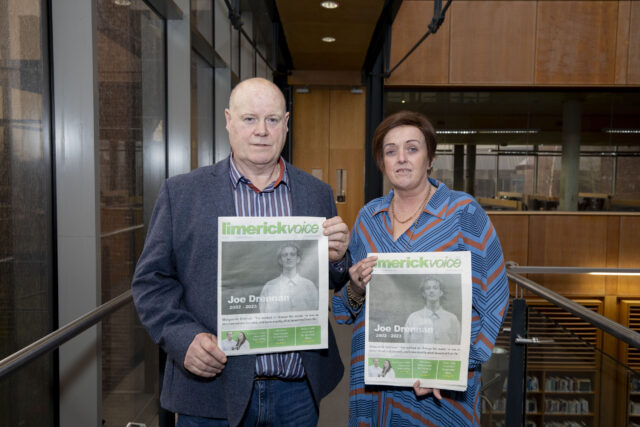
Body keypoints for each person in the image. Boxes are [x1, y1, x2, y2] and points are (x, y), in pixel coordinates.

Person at [131, 77, 350, 427]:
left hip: (296, 392)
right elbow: (150, 283)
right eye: (250, 119)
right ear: (229, 121)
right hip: (211, 394)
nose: (262, 131)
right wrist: (182, 338)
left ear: (286, 125)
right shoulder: (181, 194)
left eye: (273, 120)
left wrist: (339, 258)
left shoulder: (316, 193)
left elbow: (335, 278)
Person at [332, 111, 509, 426]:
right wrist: (356, 287)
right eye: (390, 151)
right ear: (382, 162)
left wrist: (454, 367)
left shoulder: (463, 214)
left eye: (412, 149)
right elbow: (347, 310)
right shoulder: (368, 219)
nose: (401, 158)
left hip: (439, 390)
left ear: (430, 158)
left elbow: (493, 300)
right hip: (375, 386)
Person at [259, 243, 318, 312]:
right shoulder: (269, 286)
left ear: (298, 259)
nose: (288, 258)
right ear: (280, 260)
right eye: (284, 255)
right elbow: (263, 312)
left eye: (292, 254)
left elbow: (315, 310)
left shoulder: (309, 285)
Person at [404, 277, 461, 345]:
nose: (431, 291)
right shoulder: (413, 318)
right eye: (428, 288)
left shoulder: (452, 319)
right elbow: (407, 343)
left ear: (441, 292)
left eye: (435, 288)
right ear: (424, 293)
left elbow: (456, 342)